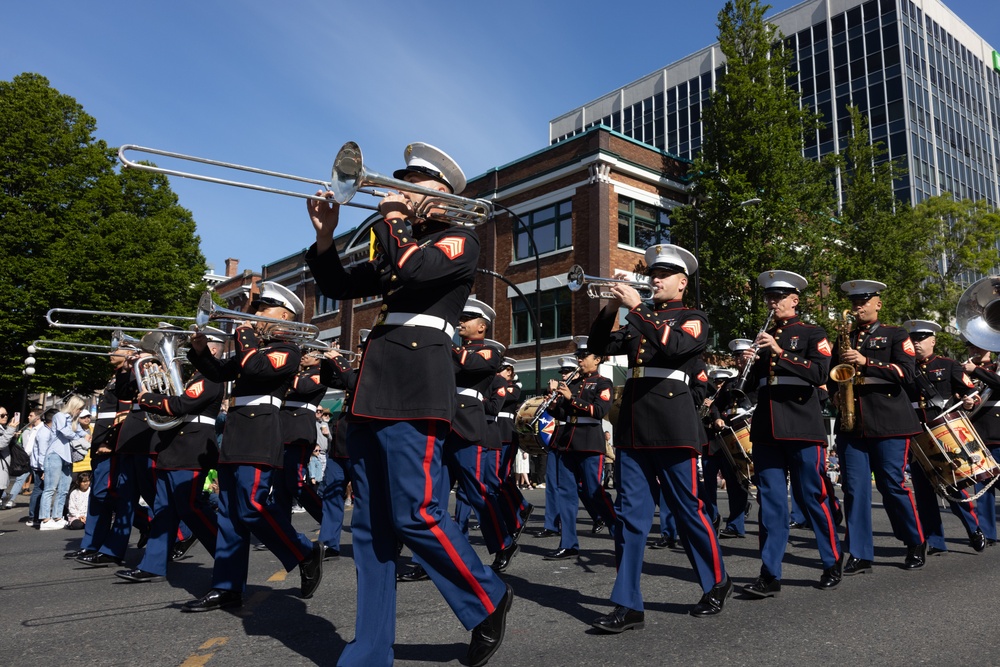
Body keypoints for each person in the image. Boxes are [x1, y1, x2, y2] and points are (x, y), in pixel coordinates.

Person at [306, 141, 511, 667]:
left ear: (442, 197)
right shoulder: (396, 241)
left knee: (416, 513)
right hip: (375, 387)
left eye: (416, 185)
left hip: (419, 382)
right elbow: (338, 283)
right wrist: (325, 236)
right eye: (400, 183)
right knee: (371, 527)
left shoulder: (459, 241)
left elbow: (415, 271)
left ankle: (487, 595)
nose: (401, 191)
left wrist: (393, 219)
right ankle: (370, 647)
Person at [588, 243, 731, 632]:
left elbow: (677, 347)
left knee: (687, 510)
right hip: (633, 423)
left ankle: (716, 579)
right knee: (630, 518)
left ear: (682, 282)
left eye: (664, 274)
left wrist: (636, 309)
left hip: (673, 423)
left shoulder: (692, 316)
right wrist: (612, 306)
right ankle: (628, 604)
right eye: (653, 273)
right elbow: (599, 348)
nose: (655, 279)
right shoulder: (639, 316)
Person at [181, 281, 323, 612]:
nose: (256, 315)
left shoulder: (288, 351)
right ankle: (227, 587)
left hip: (261, 433)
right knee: (230, 514)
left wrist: (243, 333)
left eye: (263, 309)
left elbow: (255, 368)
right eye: (256, 309)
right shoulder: (255, 348)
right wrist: (200, 349)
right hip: (237, 434)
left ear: (285, 315)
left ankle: (303, 550)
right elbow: (217, 373)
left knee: (251, 507)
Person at [739, 270, 843, 597]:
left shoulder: (812, 332)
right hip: (768, 425)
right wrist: (749, 363)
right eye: (769, 297)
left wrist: (780, 353)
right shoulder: (765, 334)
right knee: (770, 502)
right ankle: (770, 573)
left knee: (811, 496)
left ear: (794, 300)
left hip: (801, 423)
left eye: (779, 297)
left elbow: (819, 373)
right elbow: (757, 385)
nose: (773, 302)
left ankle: (831, 560)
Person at [115, 326, 225, 584]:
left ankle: (227, 552)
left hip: (192, 448)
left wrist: (149, 398)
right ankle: (152, 565)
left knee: (191, 507)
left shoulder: (210, 376)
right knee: (164, 510)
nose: (189, 348)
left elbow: (182, 405)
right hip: (174, 446)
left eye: (198, 343)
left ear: (212, 348)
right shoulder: (195, 377)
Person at [830, 280, 926, 574]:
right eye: (855, 302)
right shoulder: (844, 336)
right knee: (855, 489)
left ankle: (914, 541)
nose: (858, 306)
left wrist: (866, 361)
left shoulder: (895, 334)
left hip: (889, 421)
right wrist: (835, 393)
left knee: (891, 484)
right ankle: (859, 553)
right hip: (853, 423)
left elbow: (906, 373)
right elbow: (835, 374)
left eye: (864, 301)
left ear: (878, 304)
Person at [902, 320, 985, 555]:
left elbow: (971, 392)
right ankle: (935, 540)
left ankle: (973, 529)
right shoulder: (905, 367)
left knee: (952, 485)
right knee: (923, 490)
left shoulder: (948, 365)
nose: (916, 344)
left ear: (933, 340)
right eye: (913, 339)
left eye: (921, 339)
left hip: (943, 433)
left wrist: (971, 401)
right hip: (916, 434)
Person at [543, 335, 617, 560]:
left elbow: (599, 411)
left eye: (585, 356)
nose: (580, 359)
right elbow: (564, 414)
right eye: (579, 356)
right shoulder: (573, 382)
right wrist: (555, 404)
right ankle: (569, 543)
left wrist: (571, 398)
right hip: (567, 441)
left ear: (598, 360)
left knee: (594, 491)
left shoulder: (604, 383)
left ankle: (618, 530)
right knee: (566, 493)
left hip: (589, 442)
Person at [65, 343, 133, 560]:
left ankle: (110, 546)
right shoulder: (115, 377)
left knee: (109, 494)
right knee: (98, 496)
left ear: (130, 353)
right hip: (102, 441)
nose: (110, 352)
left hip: (111, 443)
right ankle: (92, 543)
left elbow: (124, 414)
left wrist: (111, 441)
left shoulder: (130, 376)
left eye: (118, 349)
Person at [531, 356, 579, 539]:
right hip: (557, 437)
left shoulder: (578, 389)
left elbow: (574, 410)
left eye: (567, 372)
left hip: (574, 438)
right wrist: (550, 398)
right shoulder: (558, 391)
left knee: (582, 487)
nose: (564, 375)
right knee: (552, 484)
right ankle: (551, 524)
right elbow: (553, 414)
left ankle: (599, 516)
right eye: (563, 372)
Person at [963, 337, 1000, 546]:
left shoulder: (995, 369)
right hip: (975, 434)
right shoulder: (963, 371)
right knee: (983, 485)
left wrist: (975, 371)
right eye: (971, 346)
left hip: (997, 432)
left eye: (978, 345)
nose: (974, 349)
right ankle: (987, 533)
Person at [40, 396, 87, 530]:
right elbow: (66, 432)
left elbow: (79, 430)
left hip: (67, 456)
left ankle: (57, 517)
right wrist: (82, 437)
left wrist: (85, 434)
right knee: (50, 488)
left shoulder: (73, 420)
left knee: (63, 489)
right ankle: (45, 519)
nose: (80, 411)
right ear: (73, 406)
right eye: (80, 408)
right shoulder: (60, 416)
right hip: (55, 453)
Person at [4, 409, 40, 508]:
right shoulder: (27, 431)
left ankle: (9, 499)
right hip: (26, 459)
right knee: (18, 479)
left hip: (35, 460)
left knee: (33, 482)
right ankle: (9, 499)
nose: (28, 417)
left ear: (37, 417)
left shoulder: (38, 430)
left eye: (31, 415)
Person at [27, 409, 57, 527]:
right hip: (41, 466)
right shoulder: (44, 432)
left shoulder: (46, 430)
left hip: (41, 465)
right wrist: (44, 469)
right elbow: (42, 453)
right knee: (39, 490)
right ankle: (33, 516)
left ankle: (34, 516)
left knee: (39, 490)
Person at [0, 407, 23, 509]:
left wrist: (12, 435)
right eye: (2, 415)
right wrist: (10, 430)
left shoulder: (3, 428)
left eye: (6, 414)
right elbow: (1, 443)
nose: (5, 417)